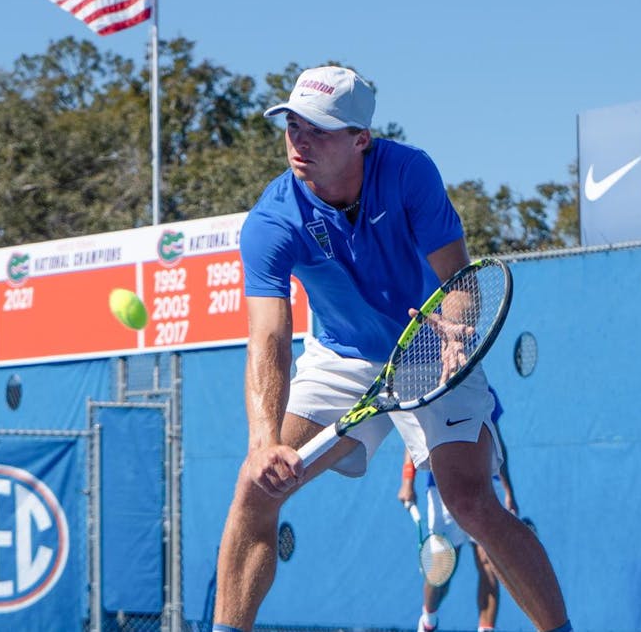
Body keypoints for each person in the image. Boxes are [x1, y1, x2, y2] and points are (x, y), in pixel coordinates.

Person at [211, 66, 570, 632]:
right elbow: (270, 338)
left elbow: (459, 283)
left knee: (471, 501)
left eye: (318, 130)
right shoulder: (272, 219)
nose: (299, 141)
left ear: (361, 140)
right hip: (341, 357)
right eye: (291, 126)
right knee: (255, 490)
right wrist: (262, 443)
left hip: (430, 350)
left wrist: (456, 329)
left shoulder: (409, 173)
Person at [398, 388, 519, 632]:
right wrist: (407, 481)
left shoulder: (483, 390)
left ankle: (486, 629)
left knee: (490, 564)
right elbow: (413, 440)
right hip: (442, 490)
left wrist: (509, 491)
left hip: (485, 486)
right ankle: (428, 621)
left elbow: (498, 442)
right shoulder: (430, 390)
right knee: (441, 572)